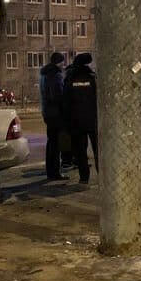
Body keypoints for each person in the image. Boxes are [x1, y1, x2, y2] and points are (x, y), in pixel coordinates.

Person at [63, 53, 99, 184]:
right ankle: (104, 176)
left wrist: (67, 121)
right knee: (98, 150)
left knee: (80, 151)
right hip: (93, 120)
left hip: (76, 121)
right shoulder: (93, 78)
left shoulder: (70, 78)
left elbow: (65, 101)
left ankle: (84, 177)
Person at [39, 52, 67, 180]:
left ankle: (50, 171)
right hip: (56, 114)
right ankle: (55, 172)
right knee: (56, 144)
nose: (63, 64)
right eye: (62, 62)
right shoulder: (56, 75)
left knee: (51, 142)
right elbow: (58, 96)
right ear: (58, 62)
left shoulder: (44, 75)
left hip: (47, 112)